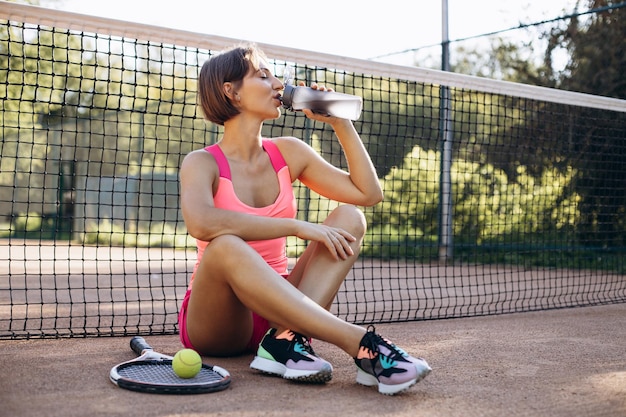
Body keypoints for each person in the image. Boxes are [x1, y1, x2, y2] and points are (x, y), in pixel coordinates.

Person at [177, 43, 431, 395]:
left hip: (280, 310)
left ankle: (283, 341)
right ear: (230, 91)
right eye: (263, 76)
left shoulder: (289, 152)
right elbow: (202, 224)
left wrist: (341, 125)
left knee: (349, 217)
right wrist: (296, 227)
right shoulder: (201, 162)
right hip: (218, 320)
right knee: (224, 246)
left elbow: (368, 194)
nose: (279, 85)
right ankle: (362, 344)